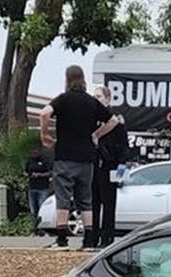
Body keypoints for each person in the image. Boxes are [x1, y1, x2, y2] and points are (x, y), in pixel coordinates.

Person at [39, 65, 119, 250]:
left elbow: (44, 113)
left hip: (65, 156)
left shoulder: (63, 99)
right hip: (87, 159)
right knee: (86, 199)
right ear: (83, 80)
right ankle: (89, 240)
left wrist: (44, 135)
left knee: (63, 197)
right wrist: (96, 135)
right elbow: (113, 121)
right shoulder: (91, 102)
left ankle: (62, 240)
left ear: (67, 79)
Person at [91, 85, 128, 249]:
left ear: (107, 99)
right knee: (93, 203)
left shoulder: (117, 119)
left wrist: (121, 173)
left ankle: (107, 238)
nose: (96, 100)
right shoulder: (91, 119)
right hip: (94, 165)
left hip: (110, 165)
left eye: (98, 97)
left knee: (109, 203)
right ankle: (93, 238)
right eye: (94, 97)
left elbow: (124, 147)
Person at [26, 146, 53, 217]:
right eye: (32, 151)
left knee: (42, 209)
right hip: (32, 188)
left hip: (43, 188)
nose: (34, 153)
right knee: (33, 210)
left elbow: (51, 172)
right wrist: (28, 175)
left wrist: (40, 175)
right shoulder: (30, 160)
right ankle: (35, 226)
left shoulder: (45, 159)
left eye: (35, 151)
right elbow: (26, 171)